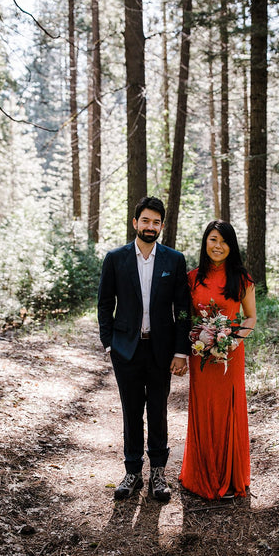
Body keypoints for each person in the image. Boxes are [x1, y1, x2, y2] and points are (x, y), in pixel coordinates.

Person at [98, 196, 191, 502]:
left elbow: (183, 309)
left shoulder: (174, 260)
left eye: (156, 222)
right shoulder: (115, 258)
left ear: (162, 226)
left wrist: (181, 351)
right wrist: (110, 343)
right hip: (127, 350)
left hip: (162, 351)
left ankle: (158, 473)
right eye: (145, 220)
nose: (151, 226)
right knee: (131, 411)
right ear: (135, 222)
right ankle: (133, 471)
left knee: (158, 411)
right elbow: (104, 304)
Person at [179, 220, 256, 500]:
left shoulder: (241, 278)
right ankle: (201, 474)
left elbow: (250, 317)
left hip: (230, 355)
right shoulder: (192, 278)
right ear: (205, 243)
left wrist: (232, 340)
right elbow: (186, 317)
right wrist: (195, 340)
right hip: (200, 354)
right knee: (204, 409)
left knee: (227, 410)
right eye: (213, 239)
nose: (218, 246)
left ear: (231, 245)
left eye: (224, 241)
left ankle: (229, 476)